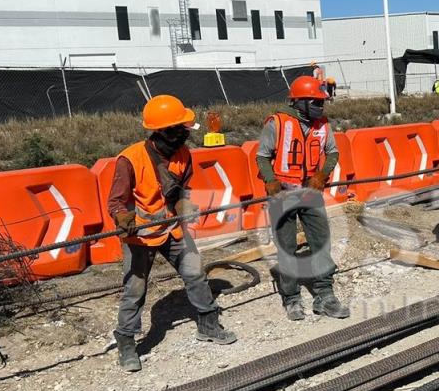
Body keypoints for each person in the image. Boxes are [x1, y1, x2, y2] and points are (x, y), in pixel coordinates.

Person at [108, 94, 236, 372]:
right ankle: (127, 342)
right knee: (135, 289)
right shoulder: (129, 159)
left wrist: (183, 205)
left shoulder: (184, 155)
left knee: (195, 273)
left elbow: (181, 190)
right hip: (140, 234)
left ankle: (208, 324)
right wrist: (122, 216)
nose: (185, 134)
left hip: (172, 227)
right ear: (164, 131)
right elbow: (116, 201)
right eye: (180, 129)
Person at [256, 76, 350, 321]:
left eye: (322, 102)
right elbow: (262, 156)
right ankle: (291, 297)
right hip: (283, 194)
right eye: (316, 102)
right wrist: (270, 180)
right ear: (299, 101)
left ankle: (324, 295)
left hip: (310, 192)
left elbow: (333, 151)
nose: (321, 106)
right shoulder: (277, 123)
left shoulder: (322, 124)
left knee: (321, 241)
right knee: (287, 247)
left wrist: (322, 174)